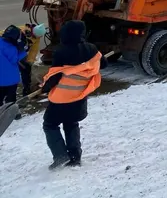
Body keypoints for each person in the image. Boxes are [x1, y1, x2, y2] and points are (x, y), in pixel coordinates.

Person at [41, 20, 108, 170]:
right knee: (71, 124)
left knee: (50, 125)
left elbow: (54, 76)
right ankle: (75, 158)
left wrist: (44, 88)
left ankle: (60, 155)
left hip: (61, 99)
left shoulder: (61, 52)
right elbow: (103, 64)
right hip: (79, 96)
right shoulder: (91, 49)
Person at [0, 25, 27, 113]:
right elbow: (14, 59)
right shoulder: (11, 47)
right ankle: (12, 113)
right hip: (10, 79)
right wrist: (24, 52)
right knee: (11, 98)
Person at [19, 23, 44, 96]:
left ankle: (27, 89)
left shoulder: (36, 37)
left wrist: (30, 61)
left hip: (19, 53)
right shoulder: (21, 31)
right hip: (10, 52)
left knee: (26, 68)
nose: (38, 38)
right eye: (37, 36)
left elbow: (33, 50)